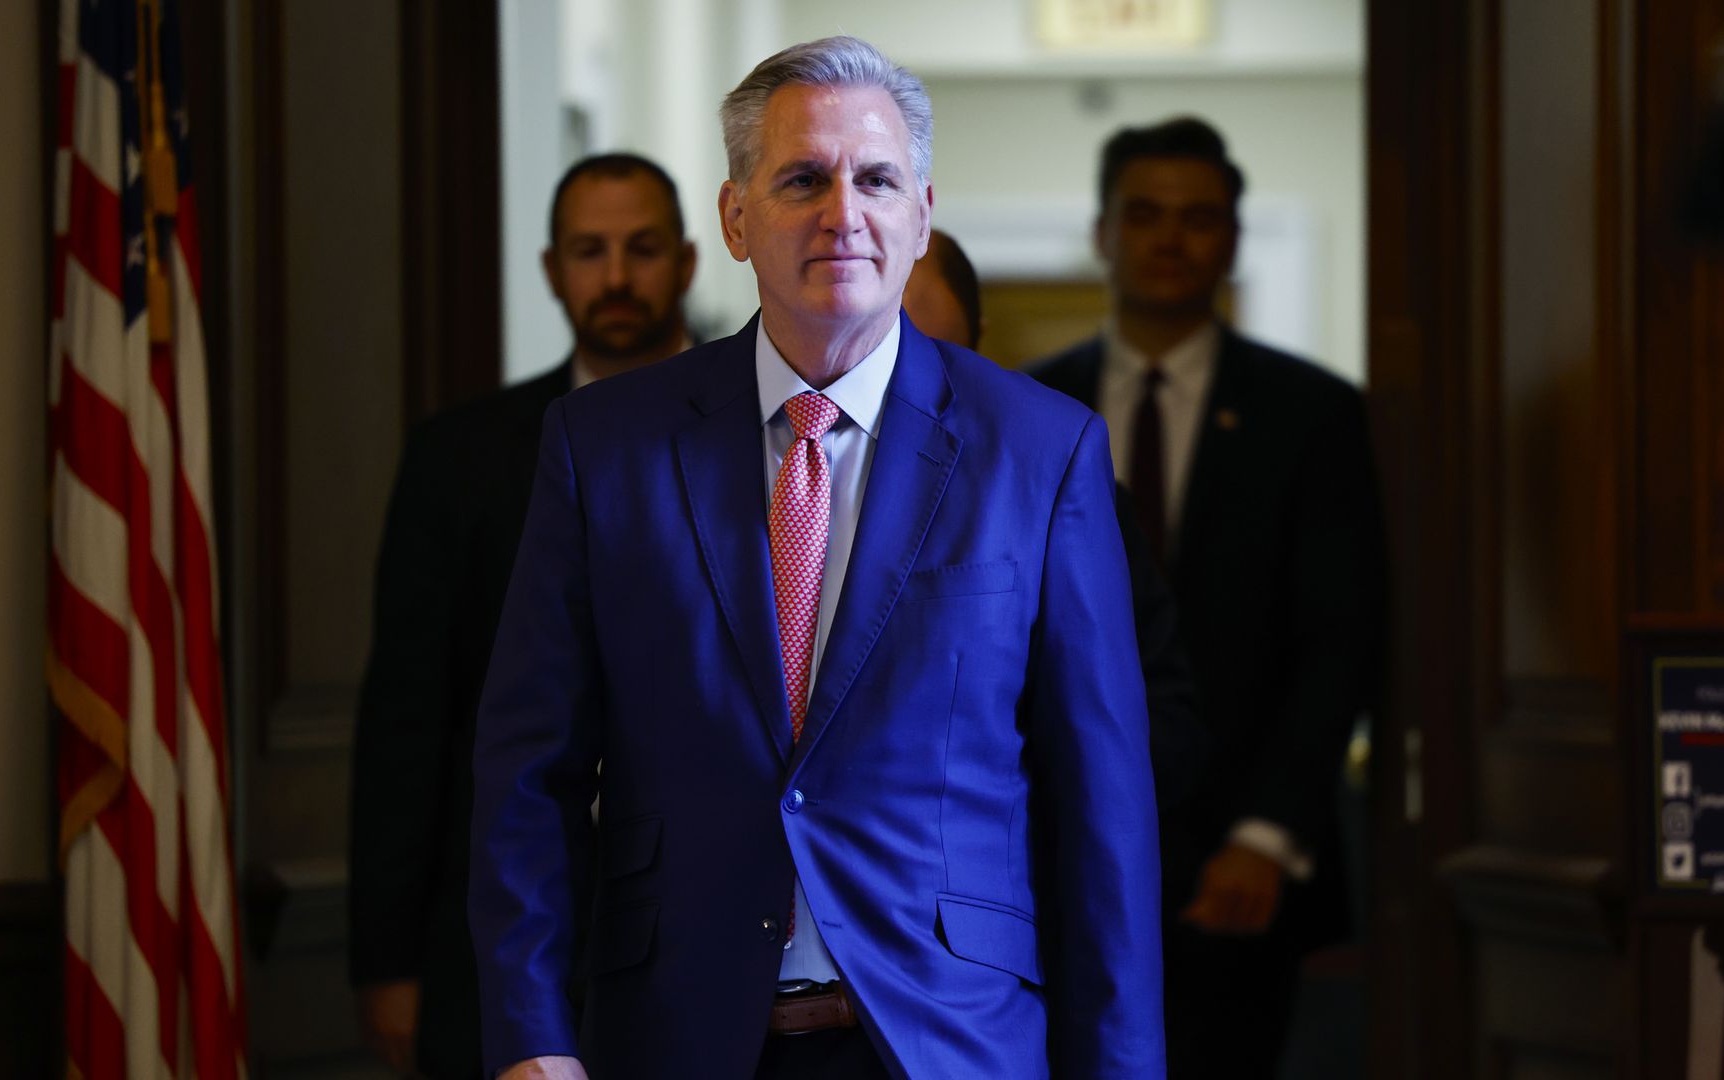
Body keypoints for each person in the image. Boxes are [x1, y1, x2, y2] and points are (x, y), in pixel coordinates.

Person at [468, 36, 1165, 1080]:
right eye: (803, 179)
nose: (844, 213)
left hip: (951, 1044)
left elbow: (1102, 809)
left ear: (922, 215)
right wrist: (531, 1041)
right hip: (677, 1038)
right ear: (736, 217)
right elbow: (529, 772)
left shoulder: (1042, 450)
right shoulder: (604, 446)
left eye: (877, 179)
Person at [1027, 117, 1386, 1078]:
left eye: (1199, 218)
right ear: (1104, 233)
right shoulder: (1028, 405)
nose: (1171, 238)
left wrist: (1268, 836)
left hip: (1242, 872)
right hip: (1056, 864)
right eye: (1144, 215)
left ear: (1231, 237)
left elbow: (1339, 639)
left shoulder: (1313, 413)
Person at [349, 152, 696, 1078]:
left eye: (642, 248)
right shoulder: (458, 458)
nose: (616, 277)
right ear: (552, 270)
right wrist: (386, 960)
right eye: (589, 251)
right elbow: (408, 718)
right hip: (504, 937)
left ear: (691, 262)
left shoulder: (771, 431)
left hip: (717, 938)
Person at [904, 230, 1206, 809]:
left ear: (978, 348)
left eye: (938, 361)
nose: (910, 396)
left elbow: (1157, 726)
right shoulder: (785, 490)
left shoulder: (1065, 496)